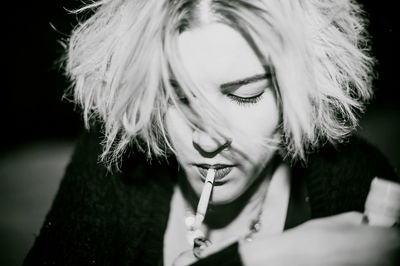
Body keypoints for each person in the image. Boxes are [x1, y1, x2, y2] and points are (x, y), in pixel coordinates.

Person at [24, 0, 399, 265]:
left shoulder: (355, 181)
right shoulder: (112, 168)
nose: (206, 140)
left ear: (298, 86)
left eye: (245, 95)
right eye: (179, 98)